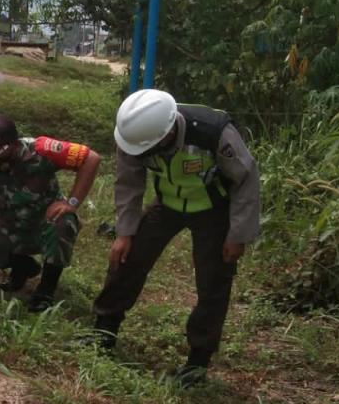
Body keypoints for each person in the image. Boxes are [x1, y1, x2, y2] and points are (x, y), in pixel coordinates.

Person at [89, 89, 260, 388]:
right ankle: (104, 329)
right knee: (127, 259)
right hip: (167, 204)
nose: (141, 154)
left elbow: (245, 179)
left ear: (169, 132)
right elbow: (128, 182)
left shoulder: (212, 132)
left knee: (213, 282)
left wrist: (238, 234)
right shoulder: (134, 135)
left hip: (213, 208)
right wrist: (125, 232)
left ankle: (197, 361)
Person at [0, 115, 101, 312]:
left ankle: (46, 290)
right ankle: (23, 266)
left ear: (15, 145)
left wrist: (72, 203)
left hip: (46, 228)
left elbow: (91, 158)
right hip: (11, 231)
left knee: (63, 222)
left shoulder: (41, 150)